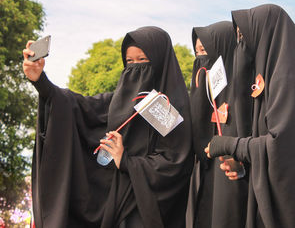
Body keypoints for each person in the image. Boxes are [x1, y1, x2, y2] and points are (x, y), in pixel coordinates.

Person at [23, 26, 193, 228]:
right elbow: (78, 107)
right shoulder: (116, 103)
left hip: (147, 211)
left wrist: (127, 161)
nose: (135, 68)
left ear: (160, 62)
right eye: (129, 61)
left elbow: (176, 164)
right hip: (111, 206)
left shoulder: (173, 110)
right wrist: (41, 81)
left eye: (142, 60)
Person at [205, 4, 295, 227]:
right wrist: (242, 167)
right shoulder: (270, 81)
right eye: (239, 38)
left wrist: (231, 145)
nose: (242, 46)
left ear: (267, 37)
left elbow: (282, 147)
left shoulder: (288, 81)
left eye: (246, 37)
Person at [186, 21, 248, 228]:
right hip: (203, 186)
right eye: (197, 53)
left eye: (205, 51)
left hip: (234, 191)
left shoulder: (245, 97)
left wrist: (241, 165)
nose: (200, 60)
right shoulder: (197, 98)